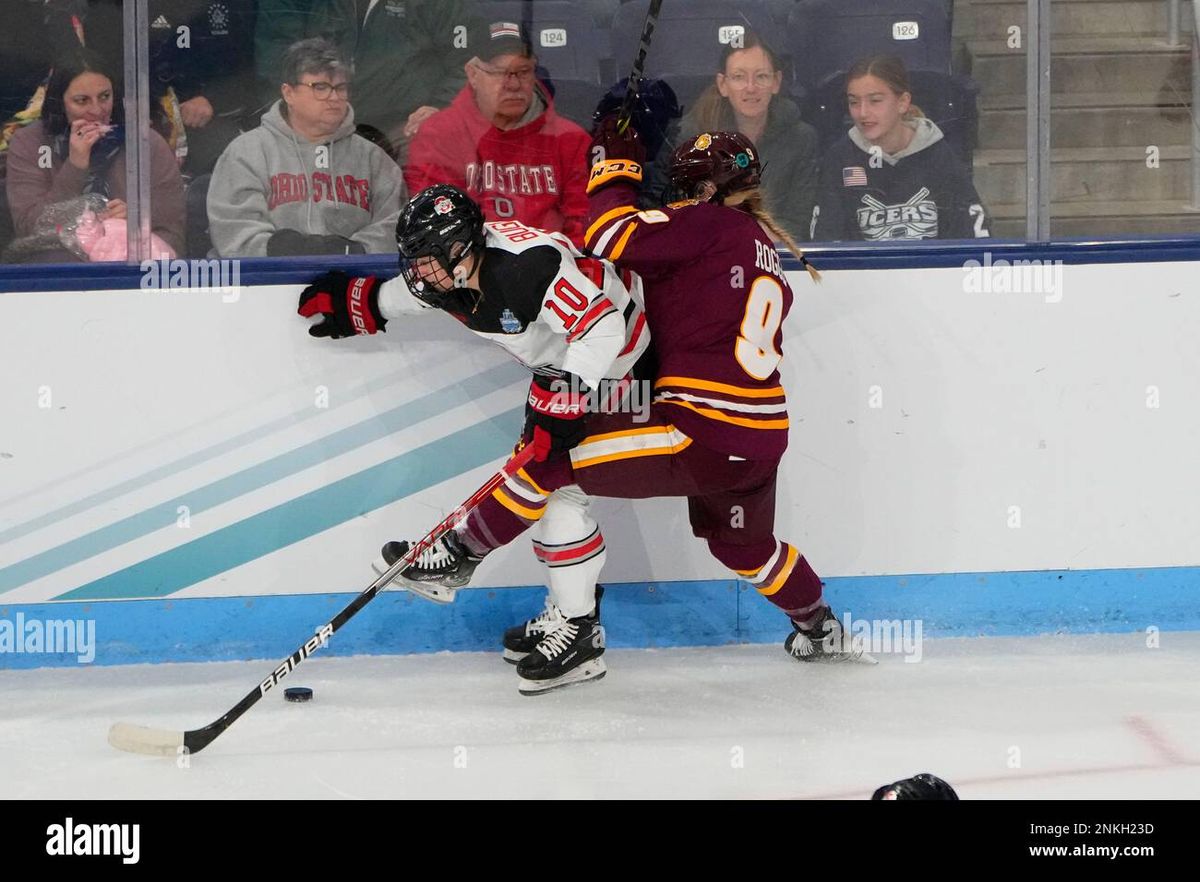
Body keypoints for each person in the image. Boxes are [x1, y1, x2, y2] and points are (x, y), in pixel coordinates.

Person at [371, 124, 872, 695]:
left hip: (701, 429)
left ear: (702, 191)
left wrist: (618, 157)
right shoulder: (762, 248)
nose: (676, 204)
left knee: (550, 462)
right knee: (744, 545)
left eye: (682, 192)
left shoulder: (707, 225)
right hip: (759, 435)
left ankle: (459, 556)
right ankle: (821, 628)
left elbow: (609, 234)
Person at [295, 184, 650, 691]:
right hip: (567, 371)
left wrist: (572, 395)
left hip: (623, 367)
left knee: (555, 484)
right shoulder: (453, 273)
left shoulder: (525, 267)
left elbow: (603, 328)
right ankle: (574, 623)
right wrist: (365, 304)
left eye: (427, 263)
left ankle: (470, 561)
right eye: (412, 262)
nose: (419, 274)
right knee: (559, 494)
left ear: (463, 251)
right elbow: (416, 294)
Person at [207, 38, 404, 257]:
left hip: (350, 280)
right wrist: (281, 250)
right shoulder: (246, 152)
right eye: (320, 87)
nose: (334, 97)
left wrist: (355, 252)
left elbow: (395, 226)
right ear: (288, 93)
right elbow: (234, 230)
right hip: (266, 282)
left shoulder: (373, 158)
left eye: (340, 88)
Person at [404, 20, 590, 244]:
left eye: (523, 71)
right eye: (500, 72)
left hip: (554, 269)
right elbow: (438, 226)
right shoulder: (438, 136)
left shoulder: (571, 141)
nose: (513, 84)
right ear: (472, 74)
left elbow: (583, 225)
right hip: (470, 272)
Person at [5, 48, 185, 262]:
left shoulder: (146, 142)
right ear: (60, 103)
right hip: (55, 259)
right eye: (82, 101)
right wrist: (74, 167)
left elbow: (174, 230)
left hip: (129, 260)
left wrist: (135, 222)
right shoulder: (29, 142)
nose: (97, 110)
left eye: (104, 97)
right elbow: (29, 227)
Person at [255, 0, 477, 157]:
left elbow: (467, 62)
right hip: (323, 123)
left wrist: (439, 107)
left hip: (402, 126)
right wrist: (299, 111)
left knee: (425, 151)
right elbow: (278, 58)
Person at [811, 54, 991, 241]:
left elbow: (972, 237)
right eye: (854, 102)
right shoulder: (840, 159)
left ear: (903, 102)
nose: (863, 113)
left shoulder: (940, 155)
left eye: (875, 100)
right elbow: (827, 241)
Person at [660, 32, 818, 243]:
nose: (751, 88)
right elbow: (680, 218)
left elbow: (797, 226)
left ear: (776, 81)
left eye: (761, 76)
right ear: (723, 84)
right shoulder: (691, 139)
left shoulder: (802, 139)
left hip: (778, 262)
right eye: (739, 77)